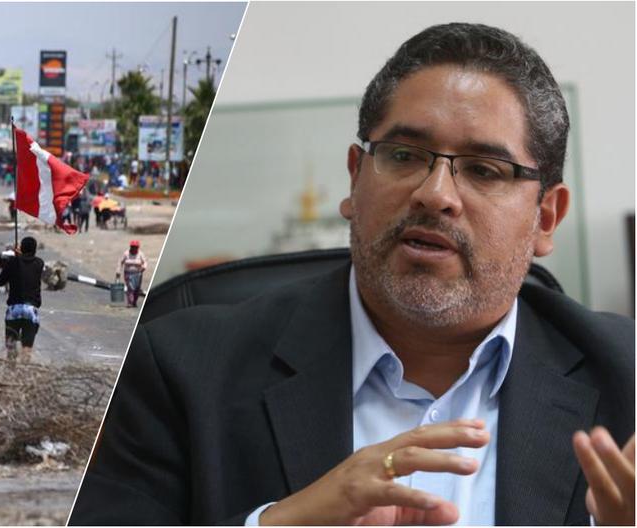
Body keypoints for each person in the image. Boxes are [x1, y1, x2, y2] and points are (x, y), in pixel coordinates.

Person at [70, 23, 634, 526]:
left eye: (484, 170)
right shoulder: (180, 371)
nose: (435, 194)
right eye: (405, 155)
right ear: (355, 177)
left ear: (546, 218)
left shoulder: (626, 381)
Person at [0, 236, 44, 365]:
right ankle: (24, 374)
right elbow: (28, 263)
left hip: (14, 309)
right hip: (31, 310)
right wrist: (18, 258)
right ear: (35, 249)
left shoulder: (13, 262)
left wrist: (15, 259)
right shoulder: (39, 263)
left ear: (21, 247)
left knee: (11, 346)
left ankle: (11, 373)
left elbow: (0, 281)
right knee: (27, 347)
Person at [116, 240, 147, 308]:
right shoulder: (126, 253)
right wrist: (118, 271)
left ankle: (134, 302)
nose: (134, 248)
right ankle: (130, 302)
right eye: (132, 247)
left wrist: (144, 267)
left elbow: (145, 262)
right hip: (128, 273)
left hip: (138, 274)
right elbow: (120, 262)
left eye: (135, 247)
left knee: (137, 289)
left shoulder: (141, 254)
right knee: (130, 288)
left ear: (137, 247)